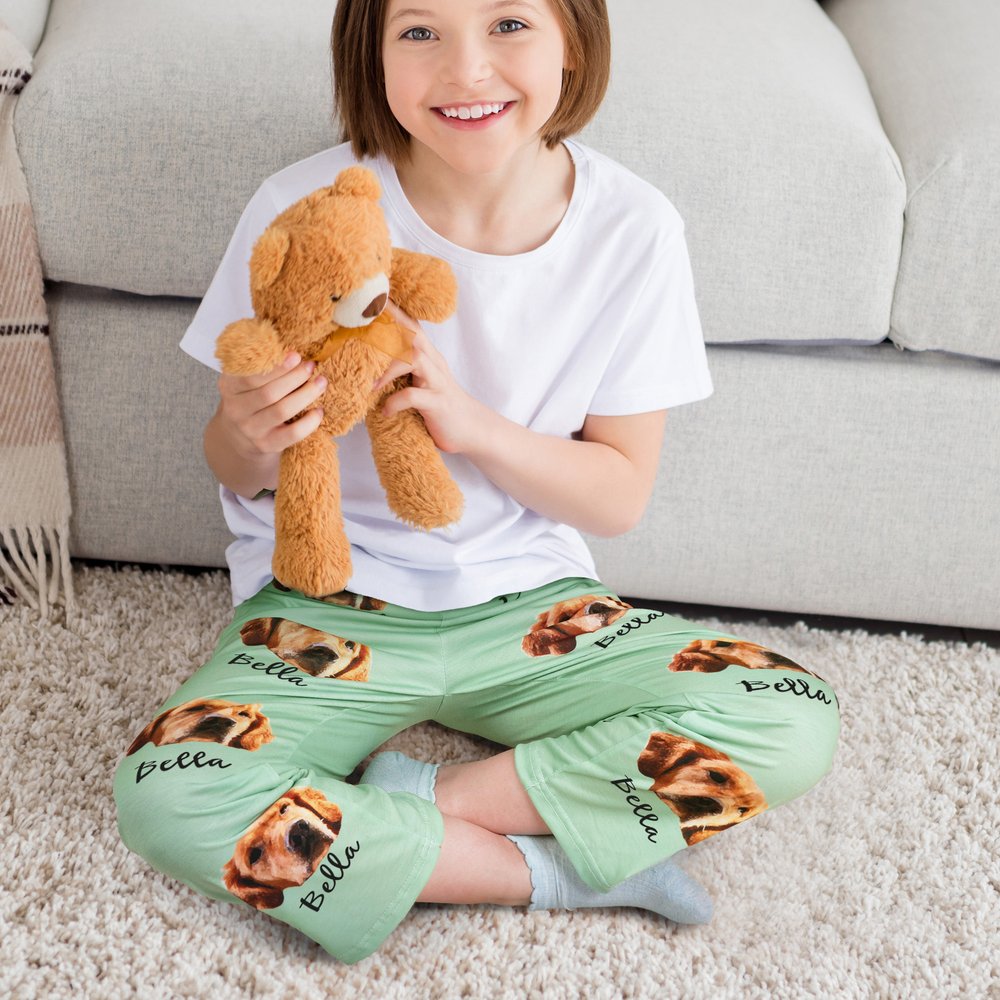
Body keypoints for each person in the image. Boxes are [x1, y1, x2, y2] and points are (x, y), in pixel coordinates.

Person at [113, 0, 840, 964]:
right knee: (167, 789)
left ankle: (416, 801)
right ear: (370, 50)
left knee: (791, 717)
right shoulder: (305, 207)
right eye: (419, 31)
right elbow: (233, 466)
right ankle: (548, 875)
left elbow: (617, 497)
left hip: (535, 609)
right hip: (324, 606)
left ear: (572, 40)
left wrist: (476, 429)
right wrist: (247, 435)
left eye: (509, 24)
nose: (466, 69)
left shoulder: (634, 227)